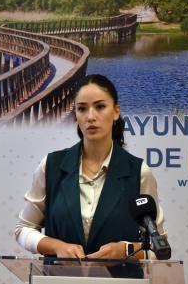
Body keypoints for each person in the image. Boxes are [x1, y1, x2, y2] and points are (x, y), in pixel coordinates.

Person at [14, 74, 166, 260]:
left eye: (100, 107)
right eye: (82, 109)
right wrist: (56, 247)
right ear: (76, 115)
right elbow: (23, 230)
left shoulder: (139, 172)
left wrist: (126, 251)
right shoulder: (51, 166)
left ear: (116, 112)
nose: (91, 116)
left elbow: (159, 248)